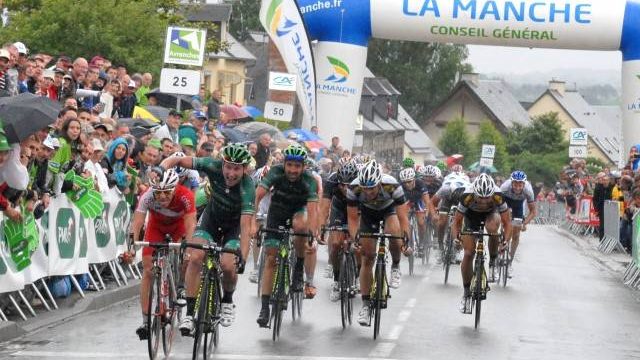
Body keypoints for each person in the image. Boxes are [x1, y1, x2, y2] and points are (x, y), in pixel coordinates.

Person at [160, 143, 253, 332]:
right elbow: (178, 159)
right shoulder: (212, 165)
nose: (231, 173)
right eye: (228, 167)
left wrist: (242, 256)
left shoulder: (248, 186)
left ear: (244, 169)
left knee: (228, 265)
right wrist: (161, 167)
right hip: (211, 220)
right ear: (222, 164)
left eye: (237, 169)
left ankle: (227, 301)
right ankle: (189, 314)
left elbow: (245, 225)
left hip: (233, 227)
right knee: (195, 257)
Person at [255, 144, 319, 327]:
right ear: (284, 164)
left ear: (304, 167)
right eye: (289, 165)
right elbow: (258, 196)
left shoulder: (310, 180)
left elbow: (313, 212)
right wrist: (253, 221)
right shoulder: (275, 172)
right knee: (270, 259)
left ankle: (298, 268)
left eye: (297, 166)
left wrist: (312, 236)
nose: (292, 170)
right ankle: (265, 307)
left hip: (299, 210)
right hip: (278, 211)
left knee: (300, 226)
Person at [131, 168, 196, 340]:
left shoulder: (185, 195)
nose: (162, 197)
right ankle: (146, 321)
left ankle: (180, 286)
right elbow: (138, 220)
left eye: (167, 192)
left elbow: (190, 224)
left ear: (175, 188)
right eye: (158, 193)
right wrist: (132, 243)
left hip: (178, 228)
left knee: (186, 258)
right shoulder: (147, 195)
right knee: (147, 269)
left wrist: (188, 249)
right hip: (156, 228)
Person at [346, 159, 409, 326]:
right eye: (365, 188)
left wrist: (405, 240)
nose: (368, 192)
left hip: (388, 211)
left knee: (395, 234)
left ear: (379, 182)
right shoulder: (353, 188)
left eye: (372, 187)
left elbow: (403, 216)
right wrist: (355, 239)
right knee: (367, 257)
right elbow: (352, 219)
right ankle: (366, 305)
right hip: (367, 215)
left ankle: (395, 266)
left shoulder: (392, 185)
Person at [450, 173, 512, 314]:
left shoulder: (498, 195)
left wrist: (506, 241)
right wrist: (456, 238)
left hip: (491, 214)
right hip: (471, 217)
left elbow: (507, 223)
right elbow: (456, 222)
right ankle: (466, 293)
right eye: (480, 197)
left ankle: (493, 262)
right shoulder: (467, 196)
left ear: (492, 194)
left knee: (492, 229)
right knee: (468, 253)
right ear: (474, 193)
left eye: (487, 197)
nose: (484, 201)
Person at [320, 160, 359, 302]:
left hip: (357, 208)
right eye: (342, 184)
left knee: (360, 244)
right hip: (338, 208)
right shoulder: (331, 180)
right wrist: (322, 228)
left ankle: (359, 274)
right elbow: (324, 207)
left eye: (349, 185)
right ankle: (336, 281)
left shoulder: (362, 182)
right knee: (336, 244)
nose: (345, 188)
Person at [500, 171, 537, 277]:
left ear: (524, 184)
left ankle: (510, 262)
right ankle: (500, 245)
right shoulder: (504, 187)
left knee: (516, 234)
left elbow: (533, 212)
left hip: (518, 205)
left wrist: (525, 223)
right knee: (503, 221)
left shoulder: (528, 191)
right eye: (515, 184)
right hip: (505, 202)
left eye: (520, 185)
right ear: (511, 183)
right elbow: (496, 205)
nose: (517, 187)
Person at [398, 167, 436, 257]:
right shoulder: (400, 186)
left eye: (409, 181)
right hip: (407, 202)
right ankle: (406, 242)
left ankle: (422, 242)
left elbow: (427, 201)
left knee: (421, 222)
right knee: (404, 221)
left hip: (419, 201)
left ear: (414, 179)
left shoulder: (420, 183)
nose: (407, 184)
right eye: (405, 182)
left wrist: (426, 213)